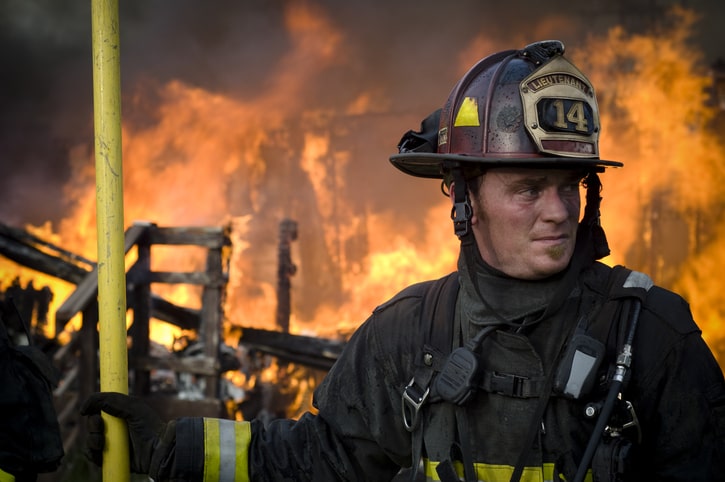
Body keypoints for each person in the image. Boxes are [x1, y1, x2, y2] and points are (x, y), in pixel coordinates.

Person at [81, 40, 725, 482]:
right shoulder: (410, 334)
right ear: (464, 196)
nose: (558, 210)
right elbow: (320, 460)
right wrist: (175, 446)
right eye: (528, 189)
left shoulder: (649, 337)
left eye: (570, 186)